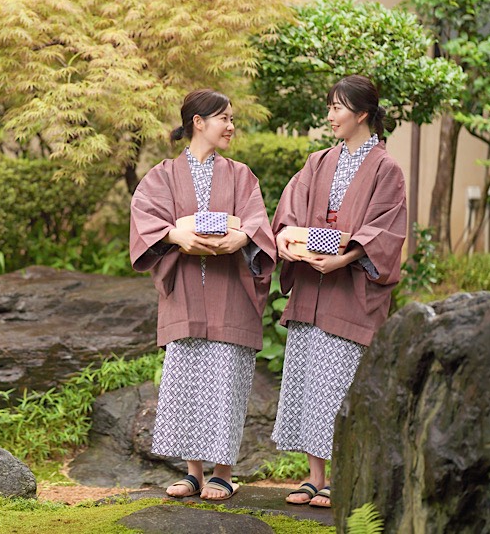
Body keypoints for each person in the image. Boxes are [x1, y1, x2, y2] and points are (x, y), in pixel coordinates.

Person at [129, 89, 277, 500]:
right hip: (186, 290)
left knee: (226, 379)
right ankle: (193, 472)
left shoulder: (241, 175)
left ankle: (223, 474)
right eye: (224, 118)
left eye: (232, 119)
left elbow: (257, 222)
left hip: (231, 291)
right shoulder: (162, 175)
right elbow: (145, 218)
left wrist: (242, 237)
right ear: (198, 122)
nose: (231, 126)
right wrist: (175, 235)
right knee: (188, 379)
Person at [271, 74, 407, 508]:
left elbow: (386, 228)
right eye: (329, 107)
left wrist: (343, 259)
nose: (330, 116)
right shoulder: (318, 161)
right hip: (312, 284)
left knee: (337, 386)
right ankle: (314, 477)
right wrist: (287, 239)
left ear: (362, 114)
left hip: (350, 287)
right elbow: (291, 208)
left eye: (337, 108)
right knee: (308, 381)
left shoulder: (386, 168)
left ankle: (341, 479)